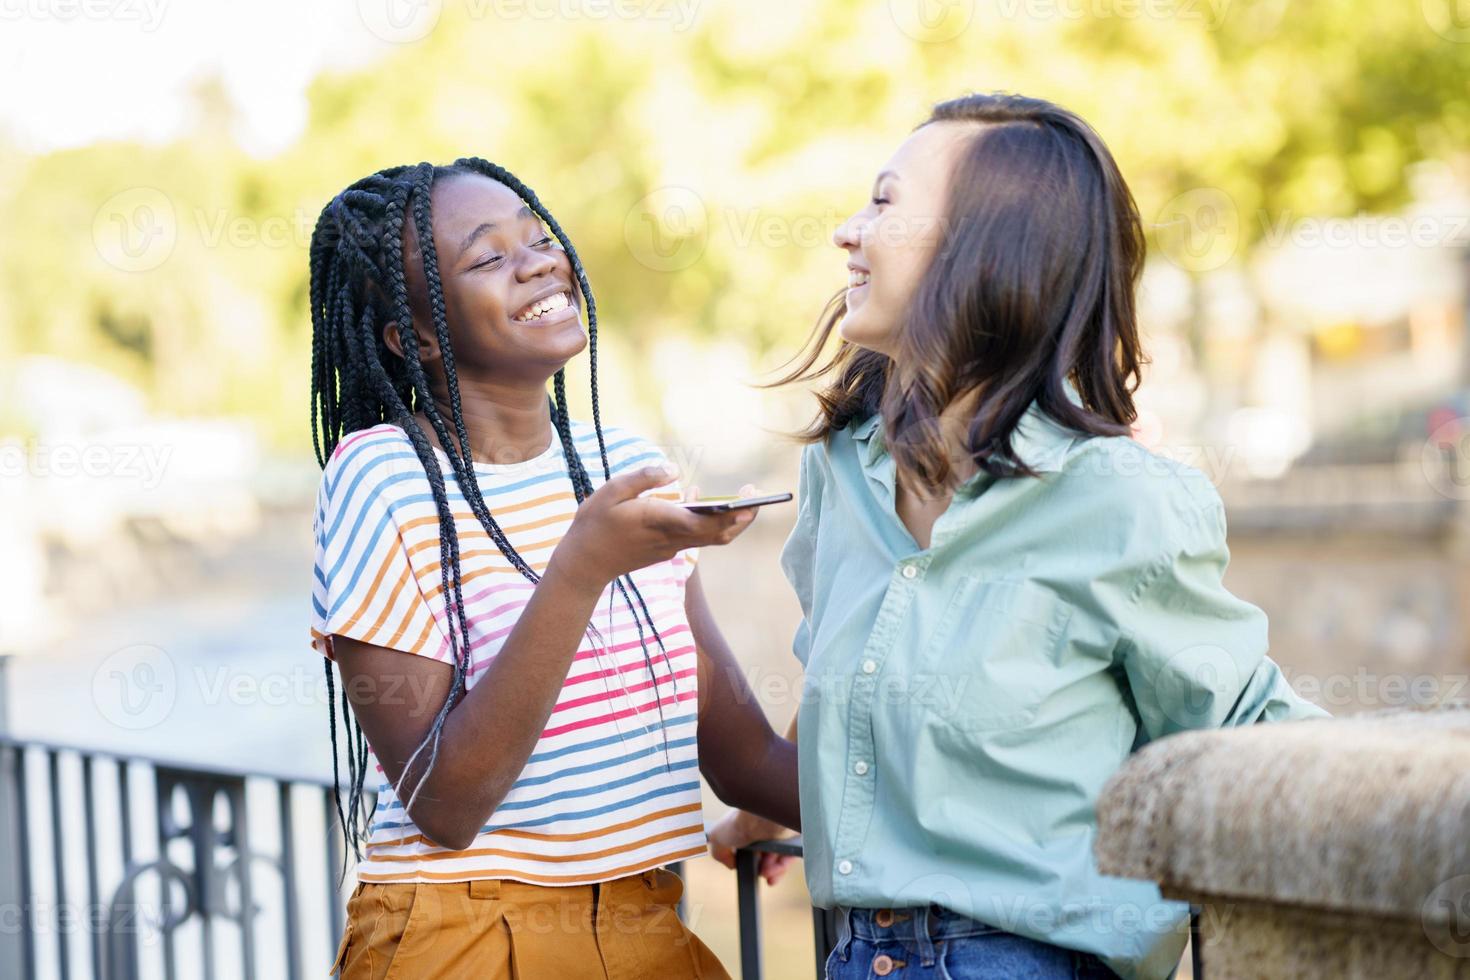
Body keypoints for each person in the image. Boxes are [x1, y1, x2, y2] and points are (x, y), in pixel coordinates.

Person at [708, 92, 1329, 980]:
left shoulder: (1120, 500)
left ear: (986, 246)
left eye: (885, 202)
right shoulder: (841, 470)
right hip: (857, 957)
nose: (848, 231)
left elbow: (1241, 729)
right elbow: (861, 670)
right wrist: (778, 813)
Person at [307, 159, 798, 978]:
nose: (538, 261)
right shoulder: (381, 480)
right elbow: (446, 802)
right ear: (413, 334)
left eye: (537, 238)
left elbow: (741, 757)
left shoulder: (624, 463)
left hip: (647, 925)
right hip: (461, 936)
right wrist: (581, 570)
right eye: (488, 257)